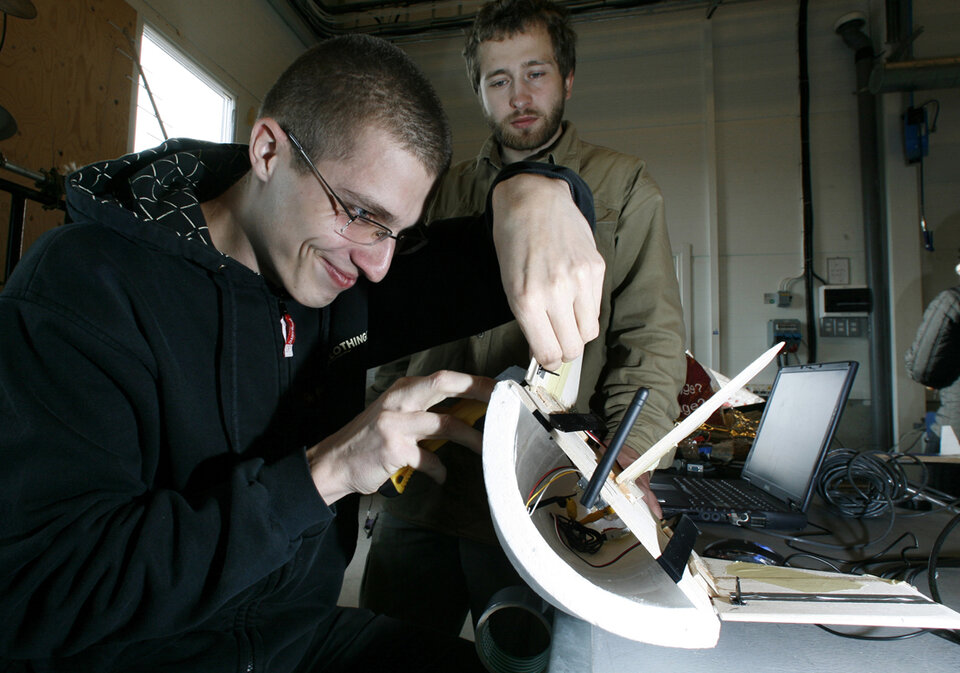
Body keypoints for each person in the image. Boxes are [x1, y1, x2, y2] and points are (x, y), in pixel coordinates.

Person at [0, 35, 604, 672]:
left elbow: (497, 260)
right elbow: (36, 597)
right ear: (268, 150)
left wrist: (537, 189)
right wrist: (325, 473)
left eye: (396, 231)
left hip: (294, 638)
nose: (377, 264)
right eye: (359, 213)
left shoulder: (329, 271)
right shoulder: (84, 287)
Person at [360, 0, 686, 637]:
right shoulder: (437, 192)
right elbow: (389, 330)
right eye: (498, 80)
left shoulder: (624, 188)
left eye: (535, 73)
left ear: (568, 78)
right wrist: (376, 418)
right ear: (480, 93)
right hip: (422, 489)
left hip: (544, 500)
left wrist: (630, 462)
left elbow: (650, 342)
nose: (519, 96)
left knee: (523, 655)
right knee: (384, 648)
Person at [905, 263, 960, 453]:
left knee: (942, 483)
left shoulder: (953, 301)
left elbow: (923, 370)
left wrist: (940, 378)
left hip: (956, 438)